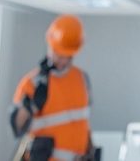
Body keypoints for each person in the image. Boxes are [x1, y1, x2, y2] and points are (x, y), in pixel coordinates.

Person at [11, 14, 95, 161]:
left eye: (66, 56)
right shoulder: (33, 83)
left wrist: (91, 151)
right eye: (57, 54)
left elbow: (84, 123)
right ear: (50, 46)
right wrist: (29, 106)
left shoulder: (81, 79)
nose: (61, 60)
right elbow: (17, 128)